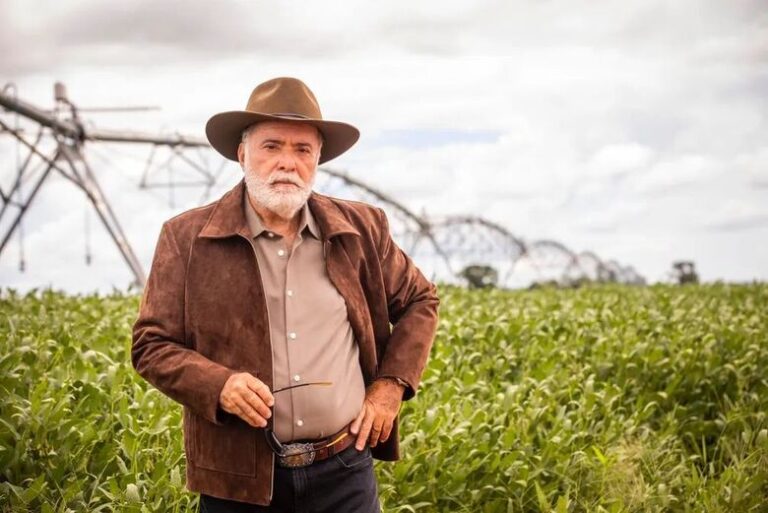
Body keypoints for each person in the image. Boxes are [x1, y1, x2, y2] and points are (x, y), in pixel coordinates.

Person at [131, 76, 439, 512]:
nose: (287, 163)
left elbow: (420, 301)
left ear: (317, 160)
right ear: (242, 154)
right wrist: (219, 385)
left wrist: (391, 386)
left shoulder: (363, 229)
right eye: (271, 146)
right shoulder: (187, 238)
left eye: (302, 150)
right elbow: (151, 345)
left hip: (344, 471)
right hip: (238, 482)